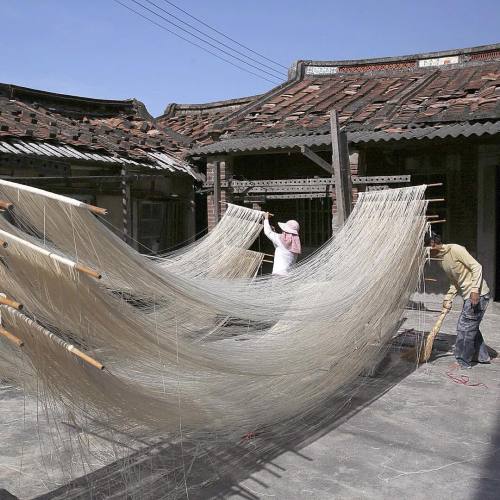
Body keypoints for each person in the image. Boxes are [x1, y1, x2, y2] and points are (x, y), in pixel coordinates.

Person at [425, 231, 491, 369]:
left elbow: (476, 267)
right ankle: (482, 356)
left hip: (479, 294)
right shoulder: (440, 260)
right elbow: (455, 281)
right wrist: (448, 298)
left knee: (464, 327)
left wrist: (474, 290)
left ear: (432, 244)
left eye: (426, 250)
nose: (426, 255)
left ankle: (463, 361)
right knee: (471, 325)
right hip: (468, 295)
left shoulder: (455, 249)